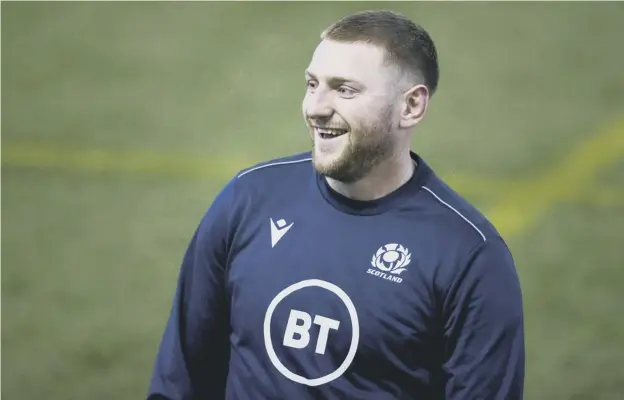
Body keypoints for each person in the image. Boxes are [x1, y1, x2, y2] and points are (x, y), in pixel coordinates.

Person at [147, 9, 525, 400]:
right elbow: (182, 377)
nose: (315, 108)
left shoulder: (469, 254)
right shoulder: (249, 199)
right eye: (313, 84)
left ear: (411, 106)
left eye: (345, 90)